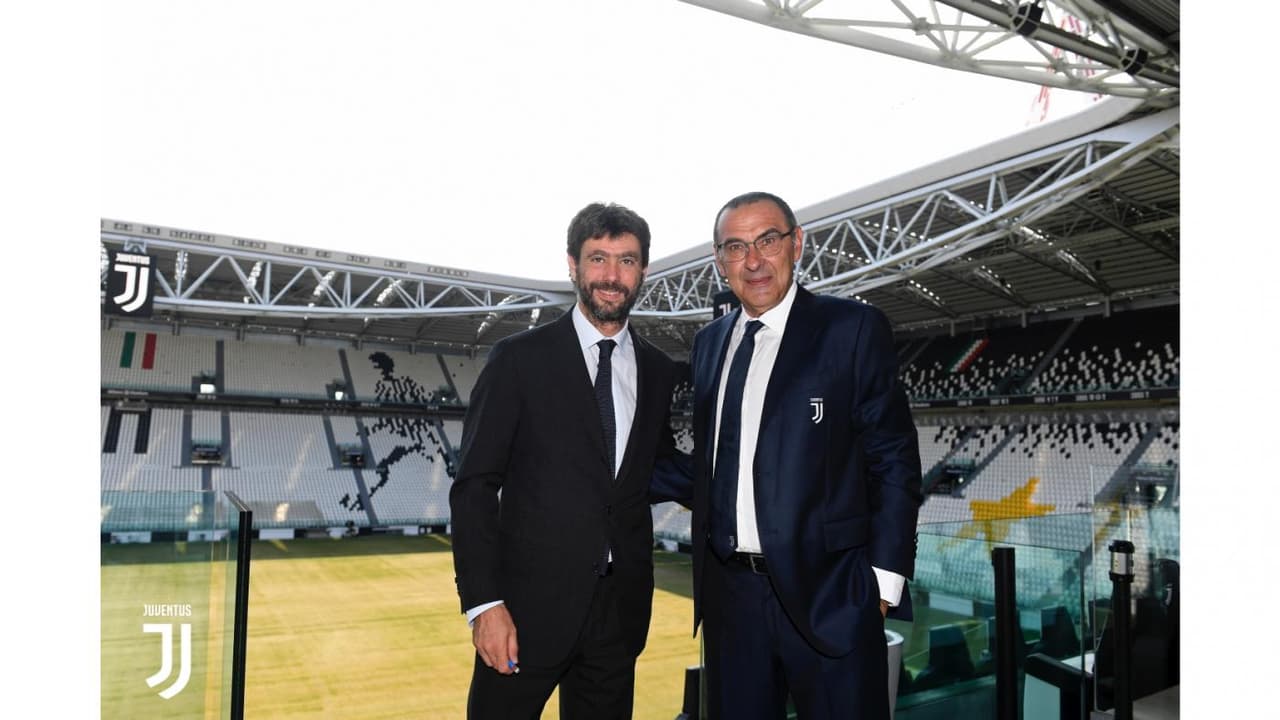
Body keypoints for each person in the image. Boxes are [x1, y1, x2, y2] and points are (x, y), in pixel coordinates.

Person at [653, 191, 923, 719]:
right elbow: (717, 467)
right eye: (736, 247)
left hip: (831, 593)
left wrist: (882, 585)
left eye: (767, 241)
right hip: (731, 600)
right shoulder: (709, 343)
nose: (753, 261)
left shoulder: (852, 328)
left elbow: (893, 457)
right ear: (719, 261)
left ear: (796, 244)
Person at [449, 202, 679, 719]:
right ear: (572, 265)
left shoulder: (659, 370)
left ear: (643, 270)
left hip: (618, 618)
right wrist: (484, 604)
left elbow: (651, 473)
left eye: (626, 260)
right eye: (598, 259)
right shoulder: (518, 360)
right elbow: (475, 487)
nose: (611, 275)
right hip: (524, 615)